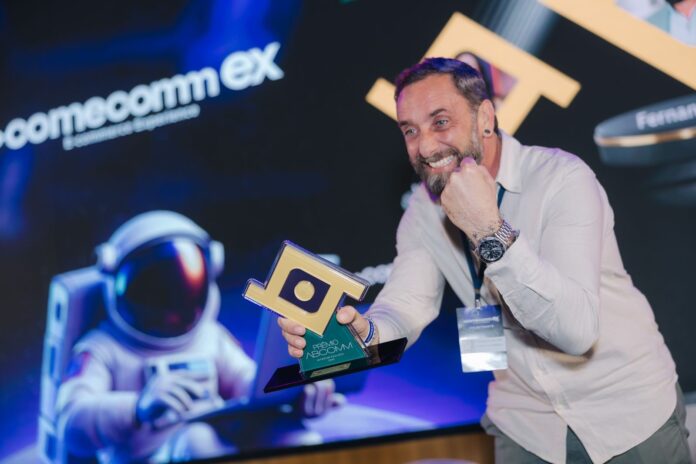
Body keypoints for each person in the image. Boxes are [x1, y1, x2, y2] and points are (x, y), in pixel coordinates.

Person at [279, 58, 691, 463]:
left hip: (626, 412)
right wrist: (365, 334)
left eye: (441, 122)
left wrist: (488, 229)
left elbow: (576, 331)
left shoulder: (561, 178)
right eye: (410, 130)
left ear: (486, 119)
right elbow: (406, 305)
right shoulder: (422, 212)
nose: (425, 147)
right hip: (527, 428)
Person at [56, 211, 336, 463]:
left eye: (179, 291)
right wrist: (137, 408)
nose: (169, 310)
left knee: (293, 436)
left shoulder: (210, 337)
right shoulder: (103, 350)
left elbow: (246, 384)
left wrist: (292, 391)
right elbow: (71, 422)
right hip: (150, 453)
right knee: (198, 442)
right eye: (155, 292)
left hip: (216, 441)